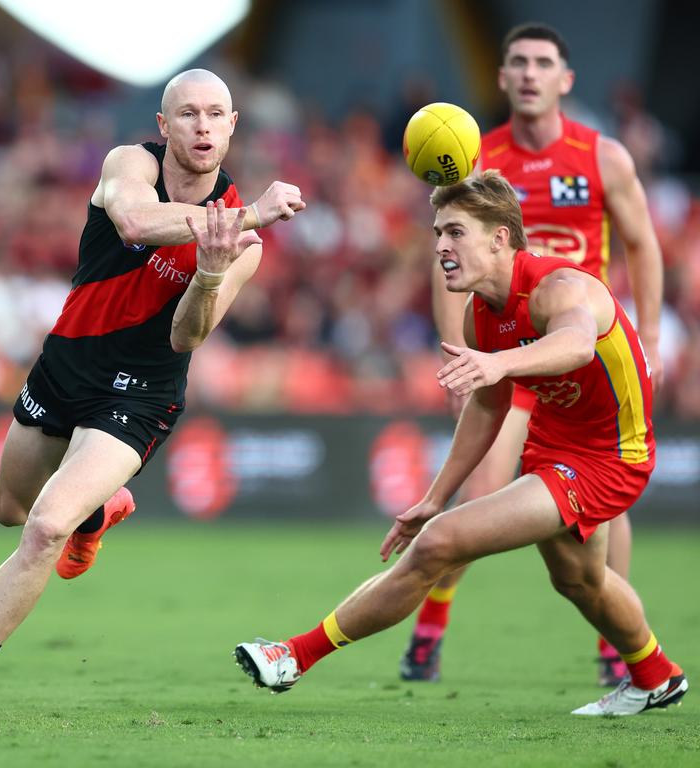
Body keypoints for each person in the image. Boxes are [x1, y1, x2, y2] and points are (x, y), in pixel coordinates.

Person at [0, 68, 306, 719]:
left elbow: (187, 337)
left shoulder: (245, 244)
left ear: (233, 125)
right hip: (66, 365)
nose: (202, 126)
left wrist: (209, 276)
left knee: (44, 528)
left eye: (216, 114)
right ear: (163, 125)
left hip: (141, 392)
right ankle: (98, 513)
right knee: (11, 510)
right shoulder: (132, 164)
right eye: (187, 114)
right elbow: (131, 221)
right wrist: (248, 213)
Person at [235, 171, 687, 716]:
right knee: (580, 579)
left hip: (609, 458)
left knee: (438, 544)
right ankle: (656, 676)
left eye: (455, 233)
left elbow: (576, 344)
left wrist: (498, 362)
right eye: (437, 234)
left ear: (500, 238)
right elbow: (491, 405)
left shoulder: (557, 288)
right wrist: (435, 495)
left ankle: (293, 656)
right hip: (554, 445)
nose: (441, 247)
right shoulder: (482, 315)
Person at [401, 23, 665, 686]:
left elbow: (643, 243)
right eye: (516, 61)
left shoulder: (601, 157)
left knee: (607, 505)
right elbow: (447, 263)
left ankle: (616, 648)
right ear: (501, 77)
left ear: (564, 80)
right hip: (502, 342)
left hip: (574, 346)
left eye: (543, 62)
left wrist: (652, 338)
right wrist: (459, 353)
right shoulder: (475, 159)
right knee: (484, 485)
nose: (528, 73)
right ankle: (430, 629)